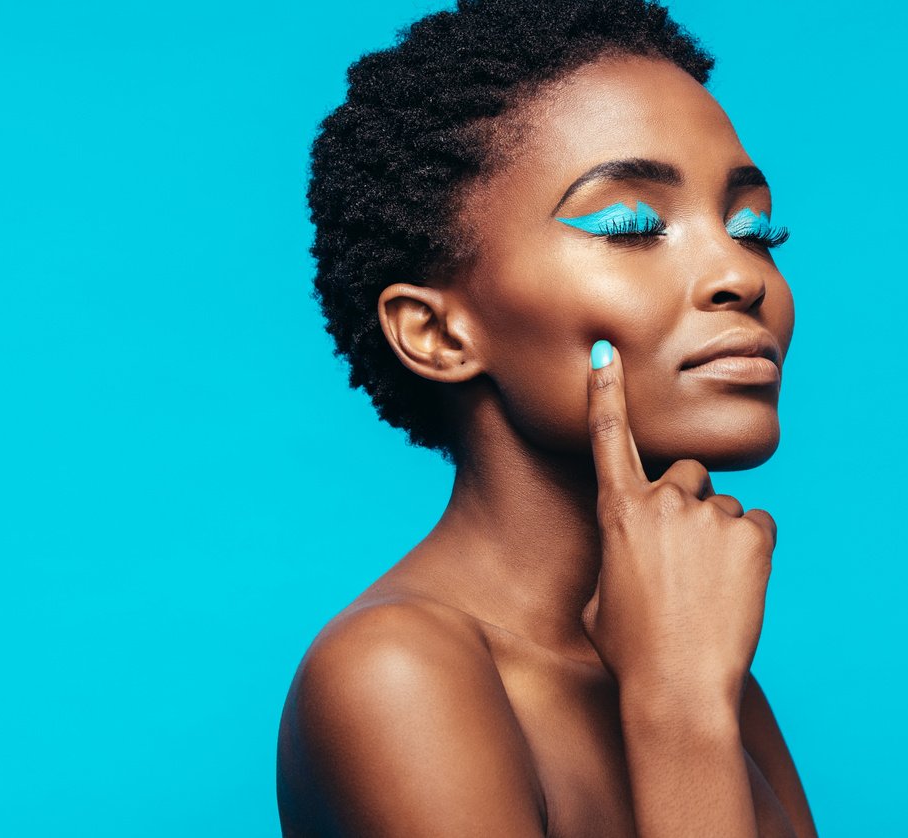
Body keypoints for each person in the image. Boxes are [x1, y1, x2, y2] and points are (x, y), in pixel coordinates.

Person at [277, 1, 818, 834]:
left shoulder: (697, 657)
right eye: (632, 225)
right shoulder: (396, 671)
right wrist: (677, 713)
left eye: (754, 228)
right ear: (437, 332)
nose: (737, 275)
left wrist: (686, 694)